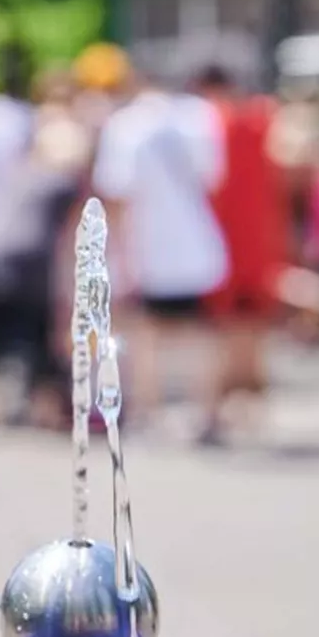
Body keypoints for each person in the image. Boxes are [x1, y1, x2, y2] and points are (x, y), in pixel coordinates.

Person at [90, 56, 229, 439]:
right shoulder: (199, 119)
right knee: (201, 330)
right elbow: (213, 179)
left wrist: (116, 252)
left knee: (144, 329)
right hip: (196, 242)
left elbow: (116, 194)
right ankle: (208, 411)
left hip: (148, 245)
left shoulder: (124, 127)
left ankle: (146, 411)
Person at [0, 68, 92, 429]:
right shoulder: (65, 171)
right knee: (39, 333)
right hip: (31, 254)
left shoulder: (26, 150)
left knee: (1, 331)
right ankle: (46, 407)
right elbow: (74, 230)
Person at [193, 65, 292, 443]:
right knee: (252, 327)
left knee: (222, 329)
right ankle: (250, 404)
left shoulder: (211, 123)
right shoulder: (264, 120)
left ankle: (220, 406)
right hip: (260, 238)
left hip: (223, 242)